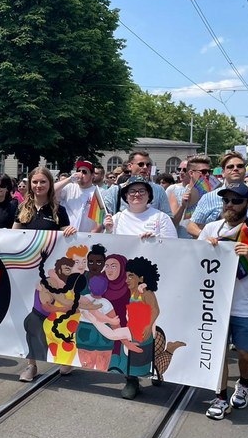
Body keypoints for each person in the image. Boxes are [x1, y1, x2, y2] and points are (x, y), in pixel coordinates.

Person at [199, 184, 248, 419]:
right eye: (226, 201)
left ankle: (243, 384)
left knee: (245, 354)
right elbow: (193, 261)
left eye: (236, 201)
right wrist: (205, 248)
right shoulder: (212, 229)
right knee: (218, 353)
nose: (230, 205)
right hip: (214, 304)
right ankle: (221, 397)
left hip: (246, 306)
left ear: (247, 204)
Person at [102, 176, 176, 399]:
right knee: (132, 330)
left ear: (149, 195)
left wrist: (156, 240)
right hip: (127, 286)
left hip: (155, 284)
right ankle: (131, 378)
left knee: (155, 325)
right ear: (125, 196)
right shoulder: (116, 218)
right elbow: (110, 250)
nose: (136, 194)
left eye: (141, 191)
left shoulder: (160, 218)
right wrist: (107, 230)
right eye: (131, 191)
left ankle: (158, 368)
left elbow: (176, 248)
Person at [13, 166, 77, 382]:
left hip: (52, 277)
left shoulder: (59, 210)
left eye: (43, 182)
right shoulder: (23, 208)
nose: (38, 186)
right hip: (28, 272)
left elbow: (67, 241)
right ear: (30, 184)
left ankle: (64, 359)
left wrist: (68, 231)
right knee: (31, 319)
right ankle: (31, 365)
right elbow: (14, 236)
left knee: (58, 317)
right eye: (35, 182)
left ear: (50, 184)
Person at [188, 152, 248, 237]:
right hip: (215, 248)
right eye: (230, 167)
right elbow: (191, 227)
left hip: (246, 248)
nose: (235, 169)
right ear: (223, 172)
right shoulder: (208, 197)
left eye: (240, 166)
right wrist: (207, 237)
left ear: (245, 170)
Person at [103, 151, 171, 217]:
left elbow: (168, 217)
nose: (145, 167)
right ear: (130, 166)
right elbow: (105, 217)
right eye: (141, 164)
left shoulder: (158, 190)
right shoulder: (115, 190)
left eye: (148, 165)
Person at [54, 159, 103, 233]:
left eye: (84, 172)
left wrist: (91, 235)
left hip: (86, 236)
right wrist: (69, 179)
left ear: (92, 175)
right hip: (67, 234)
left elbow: (99, 220)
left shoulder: (97, 192)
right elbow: (51, 190)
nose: (80, 174)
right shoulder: (70, 187)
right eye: (78, 170)